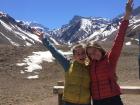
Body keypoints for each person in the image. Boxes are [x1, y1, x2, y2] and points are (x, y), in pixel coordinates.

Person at [86, 0, 133, 105]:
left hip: (113, 99)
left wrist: (127, 15)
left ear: (99, 48)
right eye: (90, 54)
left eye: (94, 51)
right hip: (97, 101)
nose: (93, 54)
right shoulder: (89, 64)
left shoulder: (110, 58)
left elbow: (119, 40)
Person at [38, 34, 91, 105]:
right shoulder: (68, 64)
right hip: (69, 102)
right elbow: (55, 53)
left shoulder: (90, 67)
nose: (81, 55)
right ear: (74, 56)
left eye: (83, 53)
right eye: (78, 54)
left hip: (85, 102)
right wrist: (44, 39)